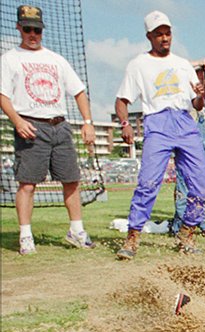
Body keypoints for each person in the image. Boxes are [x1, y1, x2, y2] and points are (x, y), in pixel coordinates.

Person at [0, 5, 96, 255]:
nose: (33, 34)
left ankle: (76, 230)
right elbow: (2, 96)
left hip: (60, 126)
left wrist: (87, 122)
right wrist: (18, 121)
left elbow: (78, 91)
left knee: (72, 181)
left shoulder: (56, 59)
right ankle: (25, 236)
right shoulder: (10, 59)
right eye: (29, 29)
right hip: (31, 125)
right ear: (19, 28)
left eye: (38, 30)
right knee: (28, 184)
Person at [114, 11, 205, 259]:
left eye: (167, 33)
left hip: (185, 121)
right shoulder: (138, 64)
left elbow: (197, 104)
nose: (165, 38)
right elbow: (121, 100)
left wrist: (200, 94)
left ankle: (187, 233)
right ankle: (132, 237)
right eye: (159, 34)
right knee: (148, 182)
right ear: (149, 36)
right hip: (157, 121)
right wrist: (125, 123)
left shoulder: (183, 64)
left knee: (201, 186)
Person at [171, 62, 205, 237]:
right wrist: (198, 62)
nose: (204, 79)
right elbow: (174, 66)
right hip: (189, 148)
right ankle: (182, 225)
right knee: (185, 188)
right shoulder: (183, 95)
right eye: (200, 75)